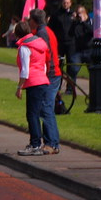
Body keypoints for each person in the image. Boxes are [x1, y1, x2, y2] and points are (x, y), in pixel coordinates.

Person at [15, 18, 52, 156]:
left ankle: (35, 144)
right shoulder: (39, 44)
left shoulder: (24, 47)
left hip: (33, 82)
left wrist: (19, 87)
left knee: (32, 114)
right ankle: (40, 142)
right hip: (43, 80)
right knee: (38, 113)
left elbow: (25, 70)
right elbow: (43, 65)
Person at [29, 8, 61, 155]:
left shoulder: (42, 34)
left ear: (34, 21)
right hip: (53, 74)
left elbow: (46, 55)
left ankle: (51, 143)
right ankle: (52, 142)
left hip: (50, 74)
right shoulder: (47, 31)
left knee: (46, 108)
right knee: (46, 108)